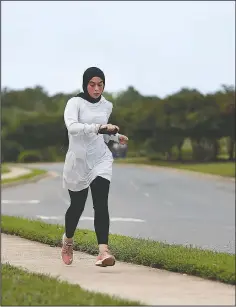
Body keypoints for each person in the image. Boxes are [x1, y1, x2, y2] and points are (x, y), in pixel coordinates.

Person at [61, 67, 128, 267]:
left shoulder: (107, 105)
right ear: (85, 84)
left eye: (100, 84)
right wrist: (98, 128)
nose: (97, 89)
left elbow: (103, 133)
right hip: (78, 162)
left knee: (101, 203)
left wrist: (115, 136)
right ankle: (68, 241)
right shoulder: (75, 103)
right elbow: (72, 128)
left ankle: (103, 252)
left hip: (100, 159)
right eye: (92, 84)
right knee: (77, 207)